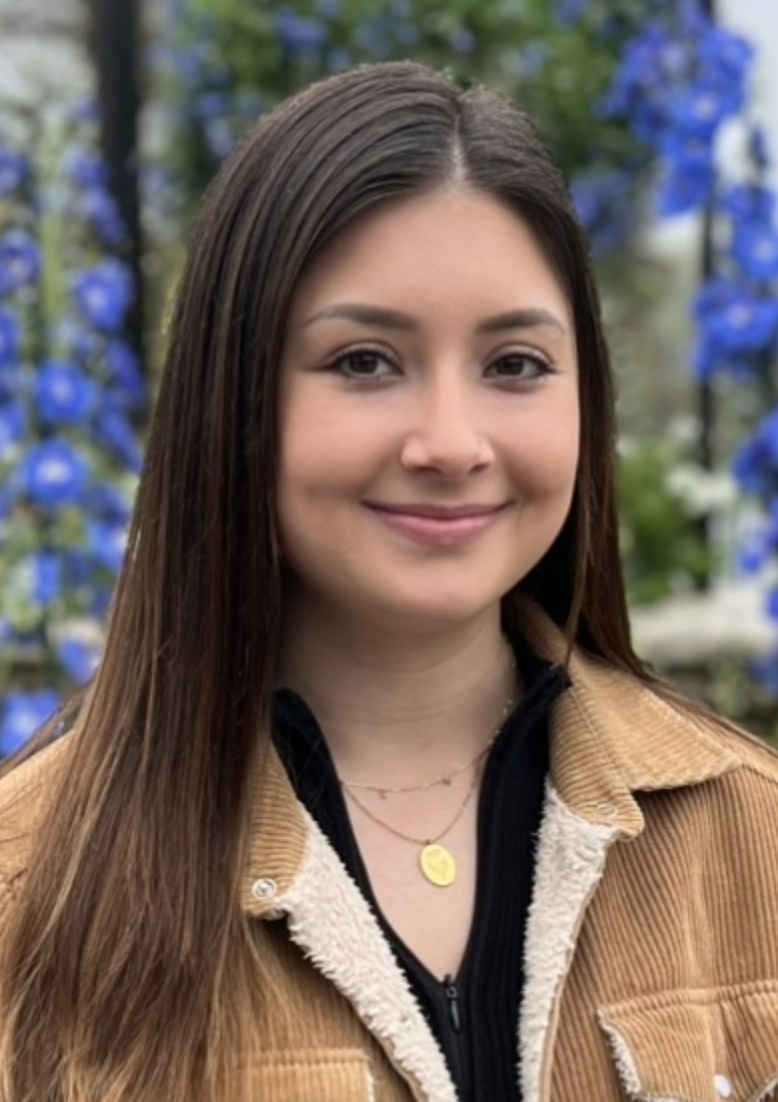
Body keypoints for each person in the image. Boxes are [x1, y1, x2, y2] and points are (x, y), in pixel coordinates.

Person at [0, 59, 777, 1102]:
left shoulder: (752, 835)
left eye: (515, 364)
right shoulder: (28, 888)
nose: (451, 443)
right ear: (233, 399)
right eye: (364, 361)